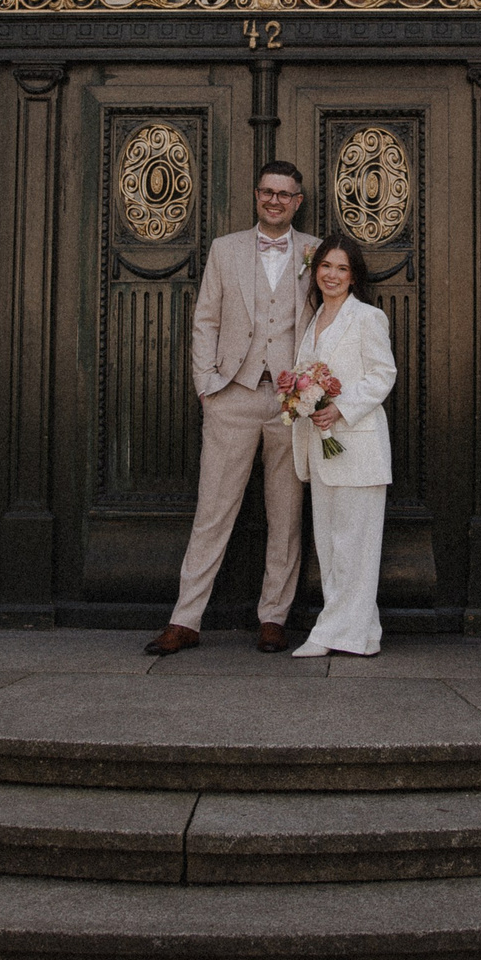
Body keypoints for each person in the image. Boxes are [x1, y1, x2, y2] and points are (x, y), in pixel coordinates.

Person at [145, 161, 317, 656]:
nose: (275, 200)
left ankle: (274, 617)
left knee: (286, 515)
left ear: (298, 201)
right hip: (232, 397)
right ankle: (186, 620)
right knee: (213, 511)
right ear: (256, 195)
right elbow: (206, 320)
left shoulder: (314, 251)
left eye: (285, 194)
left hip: (291, 403)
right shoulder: (225, 249)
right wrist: (207, 387)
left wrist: (312, 389)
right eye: (268, 191)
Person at [288, 233, 397, 658]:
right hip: (320, 447)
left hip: (358, 447)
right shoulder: (312, 321)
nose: (332, 275)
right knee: (331, 546)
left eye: (342, 269)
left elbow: (382, 375)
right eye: (326, 267)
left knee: (354, 546)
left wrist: (341, 408)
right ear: (315, 272)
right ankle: (362, 634)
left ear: (353, 277)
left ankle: (330, 633)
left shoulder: (368, 318)